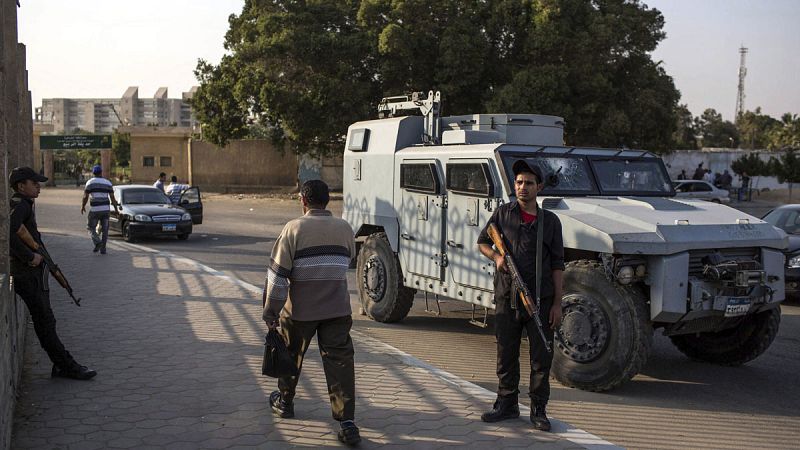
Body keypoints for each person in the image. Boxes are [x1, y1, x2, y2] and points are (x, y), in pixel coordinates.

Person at [262, 180, 361, 446]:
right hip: (338, 309)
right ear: (327, 200)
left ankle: (285, 401)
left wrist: (271, 311)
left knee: (291, 355)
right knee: (340, 362)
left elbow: (278, 276)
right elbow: (347, 261)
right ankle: (347, 422)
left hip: (300, 312)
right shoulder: (344, 228)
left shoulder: (294, 228)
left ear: (303, 201)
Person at [477, 160, 564, 432]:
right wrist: (497, 257)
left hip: (540, 300)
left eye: (528, 183)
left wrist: (558, 304)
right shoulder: (503, 214)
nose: (522, 187)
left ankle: (538, 409)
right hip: (507, 298)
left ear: (539, 187)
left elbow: (557, 265)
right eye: (518, 182)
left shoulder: (550, 222)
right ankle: (506, 404)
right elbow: (482, 242)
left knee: (541, 358)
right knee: (506, 353)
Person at [9, 167, 97, 380]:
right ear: (22, 186)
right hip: (26, 274)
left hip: (30, 273)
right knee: (45, 322)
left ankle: (61, 365)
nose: (39, 186)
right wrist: (30, 257)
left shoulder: (23, 203)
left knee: (47, 320)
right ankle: (67, 366)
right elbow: (10, 230)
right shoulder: (21, 205)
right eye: (34, 183)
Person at [80, 165, 119, 254]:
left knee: (90, 227)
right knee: (105, 230)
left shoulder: (90, 183)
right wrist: (116, 210)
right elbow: (112, 198)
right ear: (101, 172)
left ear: (93, 173)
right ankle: (103, 249)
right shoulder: (108, 183)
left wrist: (83, 206)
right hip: (106, 210)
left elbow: (85, 196)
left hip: (95, 210)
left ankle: (98, 242)